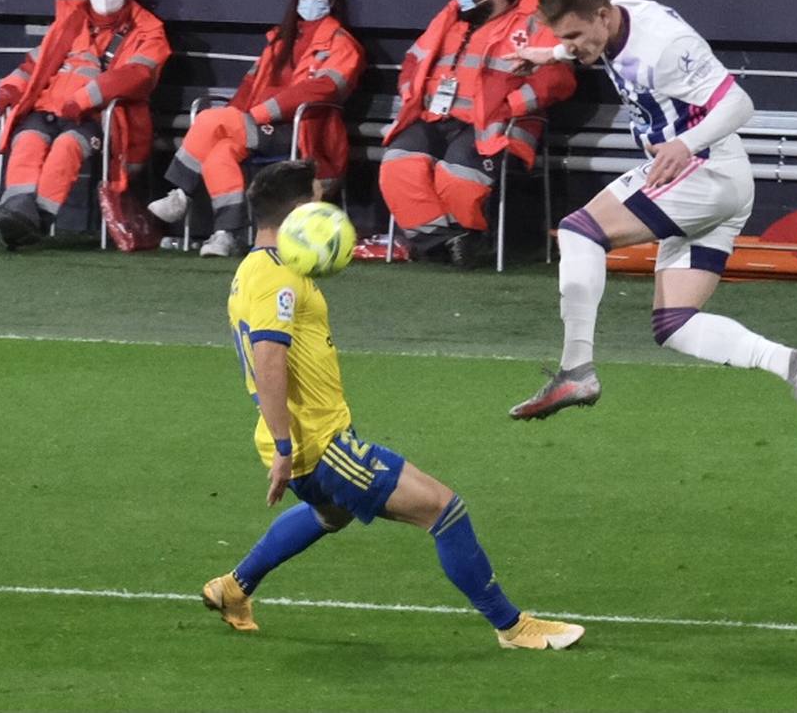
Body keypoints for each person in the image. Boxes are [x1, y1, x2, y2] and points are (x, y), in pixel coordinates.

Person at [204, 159, 584, 651]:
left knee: (330, 516)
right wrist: (283, 445)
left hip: (305, 438)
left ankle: (234, 587)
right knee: (444, 510)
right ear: (300, 212)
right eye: (320, 199)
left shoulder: (259, 267)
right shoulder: (277, 278)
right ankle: (513, 627)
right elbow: (269, 358)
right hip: (319, 445)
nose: (329, 208)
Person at [505, 0, 797, 442]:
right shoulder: (615, 19)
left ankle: (575, 369)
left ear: (601, 15)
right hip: (715, 179)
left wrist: (685, 144)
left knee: (580, 231)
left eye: (573, 37)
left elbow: (740, 104)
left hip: (702, 170)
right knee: (675, 325)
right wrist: (548, 54)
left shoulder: (663, 45)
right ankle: (794, 365)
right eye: (563, 38)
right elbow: (594, 43)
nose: (570, 46)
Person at [148, 0, 363, 258]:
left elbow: (322, 89)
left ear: (333, 2)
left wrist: (258, 114)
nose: (311, 1)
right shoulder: (279, 41)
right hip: (257, 127)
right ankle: (227, 234)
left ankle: (180, 193)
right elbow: (248, 87)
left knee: (210, 119)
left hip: (304, 131)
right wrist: (238, 117)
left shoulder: (343, 43)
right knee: (219, 153)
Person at [378, 0, 575, 266]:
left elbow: (558, 78)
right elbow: (413, 61)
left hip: (495, 125)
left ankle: (456, 243)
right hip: (434, 118)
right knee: (397, 164)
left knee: (457, 175)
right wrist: (410, 94)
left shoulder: (534, 22)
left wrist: (510, 106)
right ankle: (446, 243)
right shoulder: (452, 19)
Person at [0, 0, 170, 249]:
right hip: (47, 107)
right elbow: (36, 62)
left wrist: (84, 99)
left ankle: (38, 222)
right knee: (27, 143)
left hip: (99, 118)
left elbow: (137, 75)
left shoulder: (148, 31)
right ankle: (17, 212)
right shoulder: (71, 20)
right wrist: (10, 87)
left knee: (66, 149)